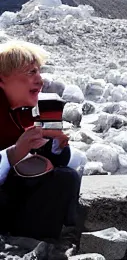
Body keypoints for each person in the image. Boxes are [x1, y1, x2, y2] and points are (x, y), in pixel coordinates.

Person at [0, 40, 82, 240]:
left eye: (39, 72)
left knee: (65, 177)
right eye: (30, 73)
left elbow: (78, 162)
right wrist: (13, 154)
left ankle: (32, 243)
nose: (40, 80)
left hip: (15, 206)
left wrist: (57, 147)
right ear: (2, 79)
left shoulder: (31, 112)